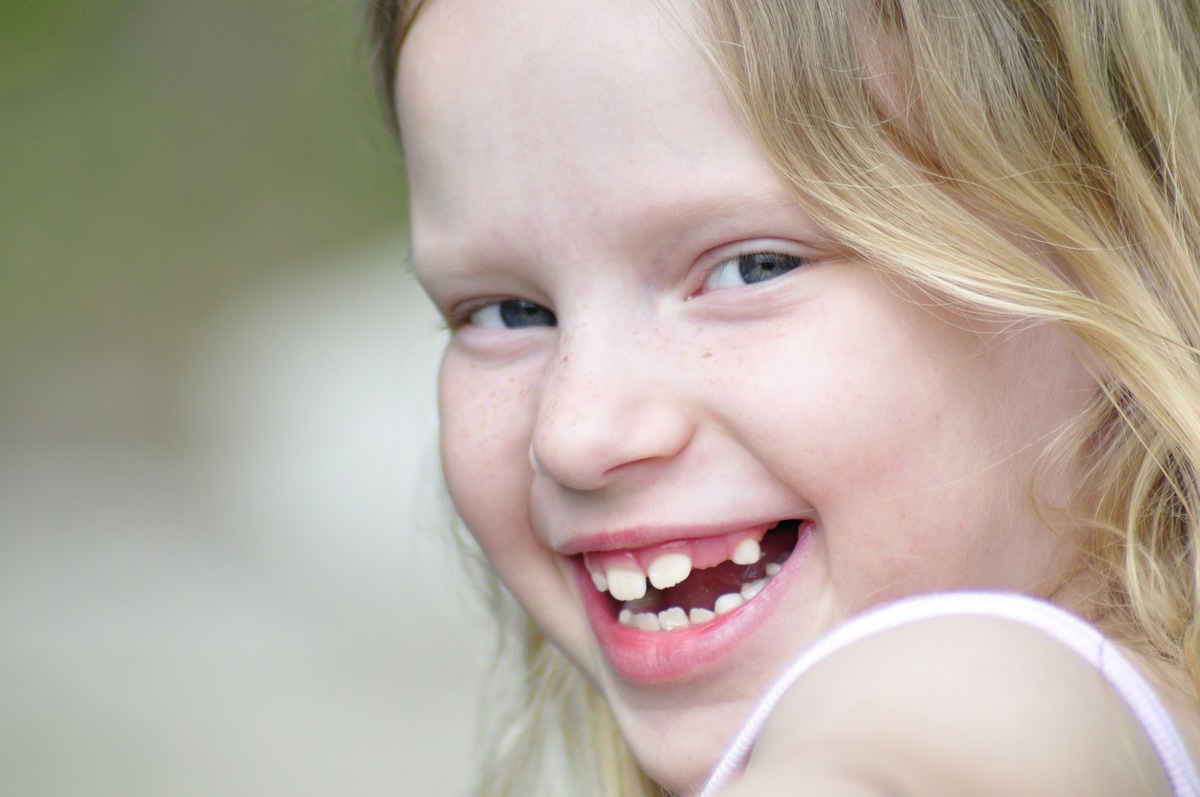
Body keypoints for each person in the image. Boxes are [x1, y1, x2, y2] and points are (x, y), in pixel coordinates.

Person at [372, 0, 1200, 794]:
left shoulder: (984, 687)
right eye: (506, 312)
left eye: (752, 267)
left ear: (1120, 257)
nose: (574, 434)